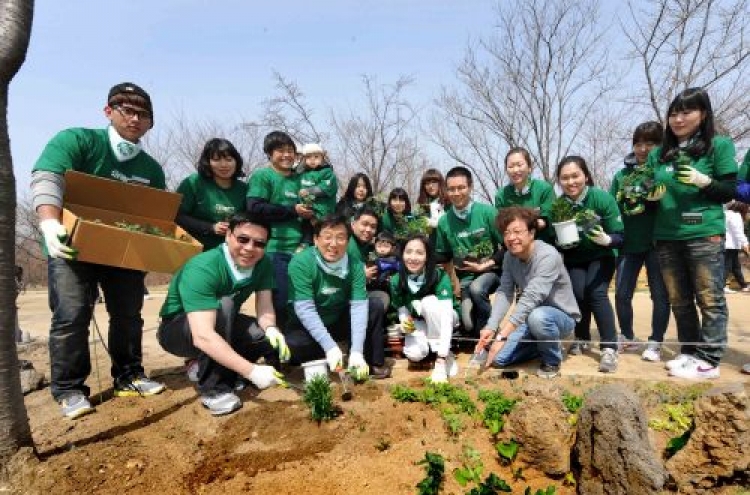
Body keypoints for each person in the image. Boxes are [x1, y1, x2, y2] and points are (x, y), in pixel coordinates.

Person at [31, 82, 166, 419]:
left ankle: (129, 375)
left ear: (150, 123)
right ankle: (70, 389)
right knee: (71, 314)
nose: (135, 119)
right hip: (72, 246)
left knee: (128, 315)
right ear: (109, 112)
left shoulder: (150, 169)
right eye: (127, 110)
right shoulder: (77, 141)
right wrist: (49, 222)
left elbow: (154, 215)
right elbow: (47, 178)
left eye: (143, 114)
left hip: (124, 251)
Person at [157, 214, 287, 416]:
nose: (250, 248)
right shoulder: (204, 267)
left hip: (221, 322)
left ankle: (221, 370)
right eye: (243, 239)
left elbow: (265, 307)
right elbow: (203, 336)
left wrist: (271, 328)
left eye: (259, 243)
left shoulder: (263, 264)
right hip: (178, 331)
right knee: (224, 305)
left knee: (259, 336)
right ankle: (214, 390)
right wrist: (251, 370)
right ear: (228, 235)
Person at [649, 87, 737, 380]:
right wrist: (646, 196)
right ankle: (689, 351)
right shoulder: (660, 154)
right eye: (674, 113)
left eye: (686, 112)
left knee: (709, 297)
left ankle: (710, 359)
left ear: (703, 114)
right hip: (667, 235)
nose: (678, 119)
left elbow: (728, 191)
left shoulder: (718, 146)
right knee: (679, 298)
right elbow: (648, 186)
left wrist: (704, 181)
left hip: (703, 233)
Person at [477, 207, 580, 378]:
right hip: (530, 318)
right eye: (506, 233)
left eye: (517, 231)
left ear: (531, 233)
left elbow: (531, 297)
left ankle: (552, 360)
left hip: (560, 318)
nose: (511, 238)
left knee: (538, 317)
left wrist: (502, 335)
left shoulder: (548, 255)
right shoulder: (510, 257)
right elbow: (504, 292)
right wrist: (491, 326)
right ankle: (547, 344)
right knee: (499, 359)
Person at [285, 215, 391, 379]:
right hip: (308, 324)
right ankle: (330, 351)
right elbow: (305, 309)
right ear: (315, 239)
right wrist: (329, 347)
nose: (333, 244)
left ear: (347, 242)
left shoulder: (355, 265)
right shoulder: (301, 262)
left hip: (337, 319)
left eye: (340, 238)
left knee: (373, 305)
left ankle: (367, 361)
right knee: (295, 345)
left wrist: (357, 351)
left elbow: (358, 307)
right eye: (327, 237)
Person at [555, 156, 624, 373]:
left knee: (596, 293)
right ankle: (582, 337)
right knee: (578, 294)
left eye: (575, 175)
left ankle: (609, 347)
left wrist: (607, 239)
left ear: (585, 175)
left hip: (601, 255)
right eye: (565, 178)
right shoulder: (559, 206)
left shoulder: (601, 198)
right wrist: (560, 241)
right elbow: (552, 234)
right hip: (575, 257)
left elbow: (621, 236)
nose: (571, 182)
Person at [609, 122, 671, 362]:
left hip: (657, 243)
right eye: (638, 143)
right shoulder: (621, 176)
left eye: (650, 143)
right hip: (628, 245)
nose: (643, 148)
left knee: (659, 295)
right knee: (622, 294)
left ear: (660, 145)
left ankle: (656, 341)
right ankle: (627, 336)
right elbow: (612, 210)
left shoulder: (663, 172)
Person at [246, 131, 313, 328]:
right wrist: (292, 210)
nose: (286, 155)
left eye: (290, 151)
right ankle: (275, 346)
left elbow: (309, 215)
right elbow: (255, 208)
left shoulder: (300, 179)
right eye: (280, 151)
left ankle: (297, 344)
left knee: (301, 300)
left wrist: (306, 242)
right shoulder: (263, 176)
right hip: (274, 249)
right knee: (279, 300)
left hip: (301, 250)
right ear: (269, 153)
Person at [434, 166, 503, 338]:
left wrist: (486, 264)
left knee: (477, 289)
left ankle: (491, 330)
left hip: (491, 272)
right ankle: (477, 330)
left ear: (470, 187)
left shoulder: (488, 212)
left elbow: (507, 247)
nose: (456, 193)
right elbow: (443, 255)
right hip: (465, 278)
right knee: (468, 323)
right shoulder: (444, 222)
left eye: (461, 188)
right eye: (451, 189)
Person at [390, 234, 459, 382]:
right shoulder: (397, 279)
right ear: (402, 254)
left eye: (419, 253)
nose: (413, 257)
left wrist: (441, 356)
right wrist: (404, 321)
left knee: (429, 302)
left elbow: (446, 316)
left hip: (445, 319)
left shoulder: (439, 276)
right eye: (408, 252)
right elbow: (402, 308)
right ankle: (433, 346)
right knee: (415, 354)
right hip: (420, 321)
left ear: (427, 256)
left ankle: (444, 355)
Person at [175, 138, 248, 251]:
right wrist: (211, 228)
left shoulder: (244, 189)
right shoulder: (194, 182)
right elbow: (177, 216)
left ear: (236, 161)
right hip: (192, 248)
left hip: (230, 252)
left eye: (229, 159)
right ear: (207, 162)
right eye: (216, 160)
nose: (224, 165)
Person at [494, 147, 555, 243]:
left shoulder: (544, 188)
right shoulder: (501, 195)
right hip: (515, 246)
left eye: (519, 165)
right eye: (510, 166)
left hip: (542, 243)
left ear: (530, 167)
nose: (515, 170)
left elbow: (547, 220)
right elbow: (502, 226)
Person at [297, 143, 338, 248]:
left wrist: (308, 191)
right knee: (305, 237)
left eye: (316, 157)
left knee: (322, 237)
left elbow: (325, 188)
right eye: (308, 157)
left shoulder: (327, 173)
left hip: (322, 214)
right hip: (305, 214)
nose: (312, 160)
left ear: (322, 157)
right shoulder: (302, 174)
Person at [723, 201, 749, 293]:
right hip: (730, 244)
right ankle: (722, 286)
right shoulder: (735, 216)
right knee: (728, 266)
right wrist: (746, 244)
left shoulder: (726, 213)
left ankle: (744, 285)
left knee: (735, 266)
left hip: (730, 244)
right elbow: (738, 232)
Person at [368, 230, 400, 294]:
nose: (382, 249)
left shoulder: (394, 261)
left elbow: (401, 270)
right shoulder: (373, 257)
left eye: (386, 246)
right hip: (375, 286)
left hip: (388, 288)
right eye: (379, 246)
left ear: (393, 248)